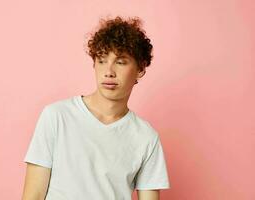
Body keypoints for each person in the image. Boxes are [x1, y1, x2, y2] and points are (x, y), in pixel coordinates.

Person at [21, 16, 170, 200]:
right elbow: (33, 195)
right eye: (101, 60)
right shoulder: (57, 117)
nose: (109, 71)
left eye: (121, 62)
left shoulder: (146, 137)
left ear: (140, 68)